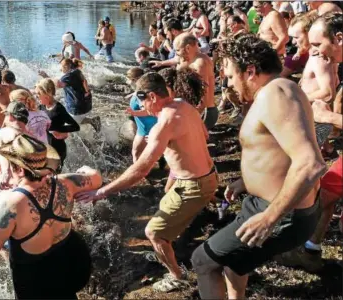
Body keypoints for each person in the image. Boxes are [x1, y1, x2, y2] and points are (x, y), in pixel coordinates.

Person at [190, 35, 325, 299]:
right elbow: (278, 151)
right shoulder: (278, 91)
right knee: (233, 262)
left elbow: (311, 163)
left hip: (281, 213)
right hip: (266, 202)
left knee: (202, 261)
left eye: (230, 76)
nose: (227, 83)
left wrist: (270, 217)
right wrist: (245, 182)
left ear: (250, 71)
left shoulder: (276, 94)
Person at [76, 72, 218, 293]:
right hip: (205, 176)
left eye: (141, 101)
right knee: (164, 205)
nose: (142, 107)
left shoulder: (165, 123)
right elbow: (204, 135)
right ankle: (167, 244)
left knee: (154, 233)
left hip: (195, 185)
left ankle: (177, 276)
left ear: (152, 96)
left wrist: (101, 192)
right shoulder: (183, 105)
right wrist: (178, 162)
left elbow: (141, 170)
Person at [0, 134, 102, 299]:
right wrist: (85, 170)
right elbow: (96, 178)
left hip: (36, 281)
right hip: (72, 264)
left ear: (19, 169)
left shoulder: (12, 204)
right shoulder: (65, 183)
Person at [274, 12, 343, 272]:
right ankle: (309, 247)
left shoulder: (323, 61)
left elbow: (328, 91)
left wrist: (328, 116)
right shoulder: (327, 58)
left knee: (308, 180)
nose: (313, 52)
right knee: (325, 192)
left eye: (316, 44)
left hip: (320, 119)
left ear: (338, 38)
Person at [39, 59, 100, 132]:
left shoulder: (69, 76)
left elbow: (57, 85)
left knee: (68, 125)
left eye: (62, 67)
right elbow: (85, 81)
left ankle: (74, 139)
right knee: (74, 119)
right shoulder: (77, 71)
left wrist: (46, 77)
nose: (60, 69)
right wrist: (87, 92)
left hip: (78, 108)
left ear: (67, 66)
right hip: (86, 104)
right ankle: (93, 121)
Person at [174, 33, 218, 130]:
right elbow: (176, 60)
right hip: (195, 108)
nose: (176, 53)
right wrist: (161, 63)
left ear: (188, 48)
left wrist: (192, 115)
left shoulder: (200, 64)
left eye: (177, 50)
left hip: (206, 111)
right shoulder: (190, 58)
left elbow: (204, 94)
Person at [35, 78, 80, 170]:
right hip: (45, 149)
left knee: (53, 177)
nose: (37, 97)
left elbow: (76, 126)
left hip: (57, 150)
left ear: (47, 94)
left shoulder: (59, 109)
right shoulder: (41, 107)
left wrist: (60, 130)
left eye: (38, 94)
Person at [281, 13, 314, 78]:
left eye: (296, 37)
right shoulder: (302, 54)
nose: (293, 42)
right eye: (292, 37)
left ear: (310, 33)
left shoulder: (321, 56)